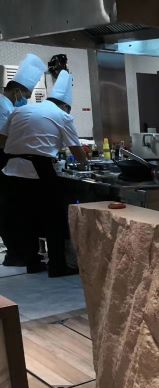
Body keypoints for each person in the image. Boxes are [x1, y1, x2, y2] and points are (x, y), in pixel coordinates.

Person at [0, 70, 87, 276]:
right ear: (65, 106)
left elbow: (2, 140)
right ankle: (58, 265)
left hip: (11, 170)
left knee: (25, 217)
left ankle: (33, 263)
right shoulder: (63, 116)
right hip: (38, 169)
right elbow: (77, 151)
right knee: (54, 217)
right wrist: (85, 163)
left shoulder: (20, 111)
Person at [0, 53, 46, 267]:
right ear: (17, 91)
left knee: (12, 211)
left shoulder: (8, 106)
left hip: (7, 161)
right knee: (13, 212)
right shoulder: (3, 107)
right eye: (26, 94)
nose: (26, 99)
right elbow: (3, 140)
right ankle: (18, 254)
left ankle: (18, 253)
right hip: (4, 161)